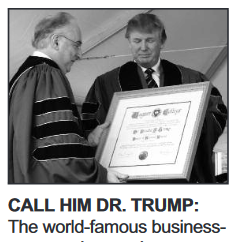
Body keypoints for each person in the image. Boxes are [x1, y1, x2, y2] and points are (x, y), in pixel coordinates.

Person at [84, 13, 227, 183]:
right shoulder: (106, 83)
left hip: (178, 180)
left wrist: (195, 124)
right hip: (127, 181)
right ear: (129, 42)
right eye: (137, 41)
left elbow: (217, 115)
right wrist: (93, 137)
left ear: (162, 42)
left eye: (150, 40)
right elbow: (89, 126)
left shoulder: (192, 79)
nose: (143, 47)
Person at [9, 12, 128, 184]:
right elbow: (59, 153)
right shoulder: (47, 75)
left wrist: (89, 141)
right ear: (56, 41)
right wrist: (102, 176)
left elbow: (44, 142)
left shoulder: (22, 77)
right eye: (77, 45)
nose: (80, 53)